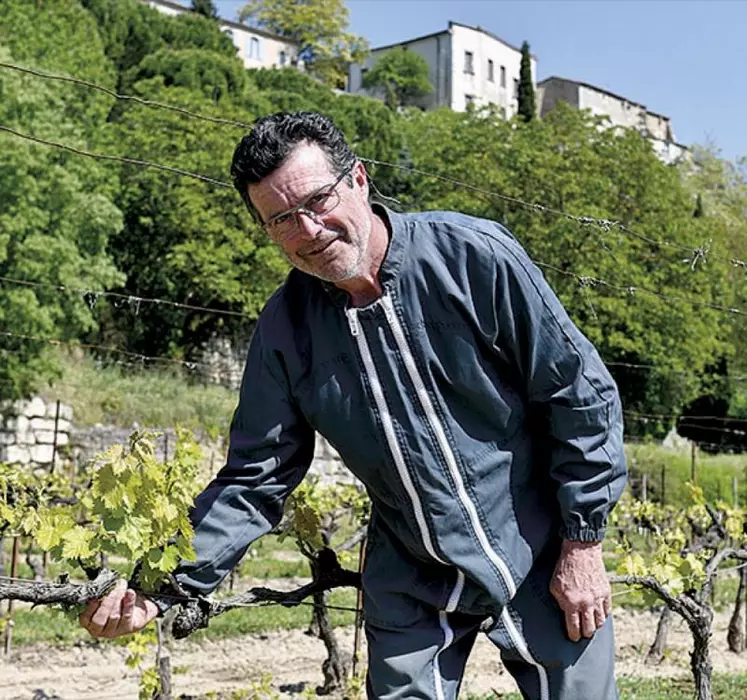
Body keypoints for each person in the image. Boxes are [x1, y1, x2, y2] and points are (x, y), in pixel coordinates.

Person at [80, 110, 627, 700]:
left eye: (318, 200)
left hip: (542, 550)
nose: (309, 229)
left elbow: (579, 394)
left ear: (359, 180)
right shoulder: (285, 330)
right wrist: (160, 583)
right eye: (282, 219)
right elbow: (254, 478)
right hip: (414, 573)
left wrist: (583, 542)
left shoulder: (474, 258)